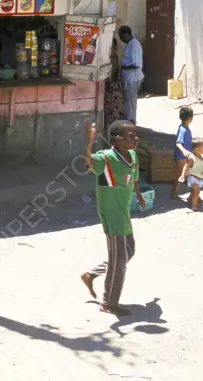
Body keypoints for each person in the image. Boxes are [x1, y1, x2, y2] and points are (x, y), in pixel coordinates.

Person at [80, 119, 146, 316]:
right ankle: (109, 302)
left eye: (135, 135)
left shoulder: (133, 155)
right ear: (117, 140)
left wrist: (140, 196)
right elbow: (88, 161)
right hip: (111, 214)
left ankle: (91, 274)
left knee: (128, 252)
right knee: (119, 262)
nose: (136, 139)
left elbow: (133, 178)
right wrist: (89, 140)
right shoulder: (106, 158)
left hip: (124, 212)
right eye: (131, 136)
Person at [118, 26, 143, 124]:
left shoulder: (134, 45)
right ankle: (128, 121)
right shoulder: (129, 44)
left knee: (131, 101)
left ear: (127, 34)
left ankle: (131, 122)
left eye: (121, 36)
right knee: (128, 101)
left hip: (132, 77)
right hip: (129, 77)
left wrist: (123, 67)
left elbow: (135, 64)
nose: (121, 39)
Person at [184, 137, 203, 211]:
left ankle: (190, 198)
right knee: (197, 191)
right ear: (197, 150)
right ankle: (194, 205)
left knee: (194, 191)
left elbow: (202, 167)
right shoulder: (192, 158)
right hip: (193, 178)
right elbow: (186, 166)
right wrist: (183, 175)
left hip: (200, 178)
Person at [171, 106, 194, 199]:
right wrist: (184, 151)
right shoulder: (183, 130)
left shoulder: (185, 128)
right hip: (181, 157)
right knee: (187, 175)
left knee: (181, 175)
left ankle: (174, 193)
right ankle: (193, 195)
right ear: (190, 118)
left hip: (185, 157)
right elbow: (178, 143)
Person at [103, 36, 125, 129]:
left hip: (112, 89)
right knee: (113, 113)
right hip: (114, 88)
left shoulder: (112, 58)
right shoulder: (113, 56)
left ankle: (112, 132)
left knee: (111, 112)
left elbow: (111, 75)